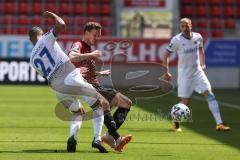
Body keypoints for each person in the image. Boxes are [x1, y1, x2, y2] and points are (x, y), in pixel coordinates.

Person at [29, 11, 109, 153]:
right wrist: (53, 16)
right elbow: (61, 25)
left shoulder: (32, 60)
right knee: (99, 105)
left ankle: (72, 137)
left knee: (78, 112)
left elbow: (50, 72)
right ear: (40, 35)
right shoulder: (45, 39)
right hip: (70, 77)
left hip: (57, 88)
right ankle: (97, 139)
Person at [68, 22, 132, 152]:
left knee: (126, 103)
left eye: (99, 35)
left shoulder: (88, 48)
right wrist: (90, 55)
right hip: (88, 87)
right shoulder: (79, 44)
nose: (97, 38)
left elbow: (84, 69)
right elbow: (71, 56)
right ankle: (116, 138)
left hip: (96, 85)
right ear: (86, 32)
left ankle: (108, 136)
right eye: (95, 35)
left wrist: (98, 73)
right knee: (105, 105)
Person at [163, 18, 231, 132]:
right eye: (182, 26)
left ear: (191, 25)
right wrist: (166, 71)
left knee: (209, 94)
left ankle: (219, 124)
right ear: (180, 27)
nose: (184, 28)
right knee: (185, 102)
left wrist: (203, 65)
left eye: (186, 26)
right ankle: (176, 121)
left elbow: (201, 50)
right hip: (185, 75)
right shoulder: (176, 40)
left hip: (198, 72)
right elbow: (166, 55)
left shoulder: (198, 37)